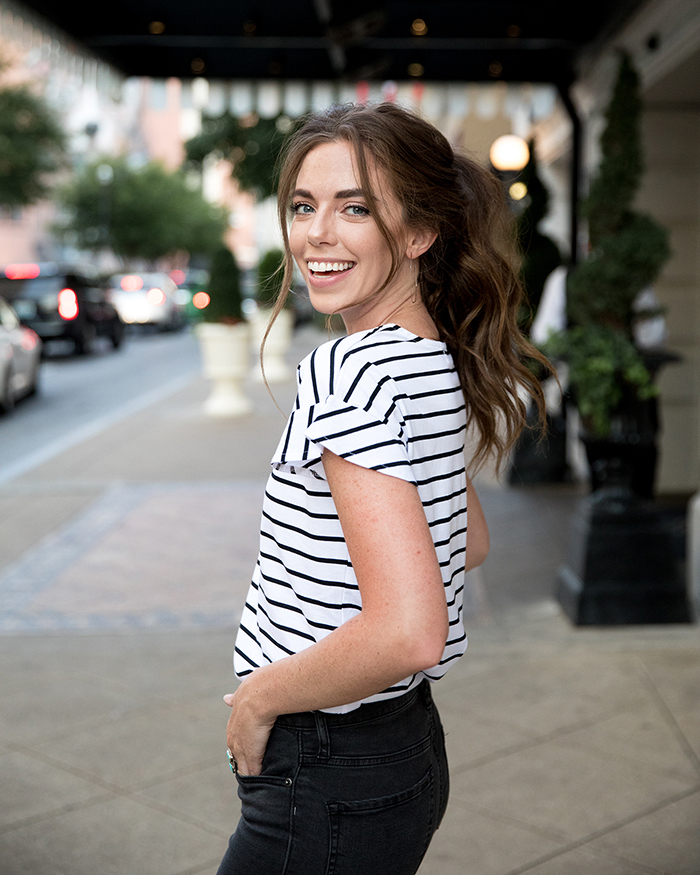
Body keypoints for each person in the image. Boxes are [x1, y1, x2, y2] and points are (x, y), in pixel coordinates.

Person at [217, 102, 550, 875]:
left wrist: (264, 698)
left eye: (354, 208)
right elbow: (472, 537)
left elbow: (409, 631)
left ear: (419, 233)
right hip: (399, 748)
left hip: (324, 760)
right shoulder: (431, 357)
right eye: (304, 206)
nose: (316, 234)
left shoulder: (352, 371)